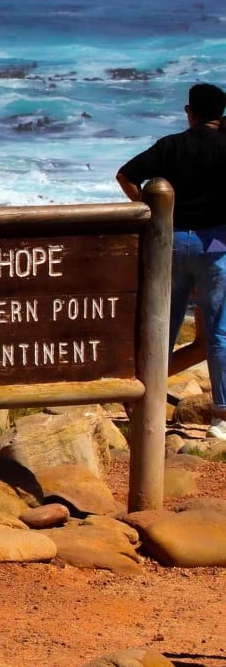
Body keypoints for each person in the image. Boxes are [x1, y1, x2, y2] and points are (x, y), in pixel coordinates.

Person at [117, 82, 226, 439]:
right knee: (219, 334)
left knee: (162, 330)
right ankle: (221, 419)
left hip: (173, 242)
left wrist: (151, 213)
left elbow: (126, 175)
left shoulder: (171, 146)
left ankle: (143, 403)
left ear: (189, 111)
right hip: (216, 243)